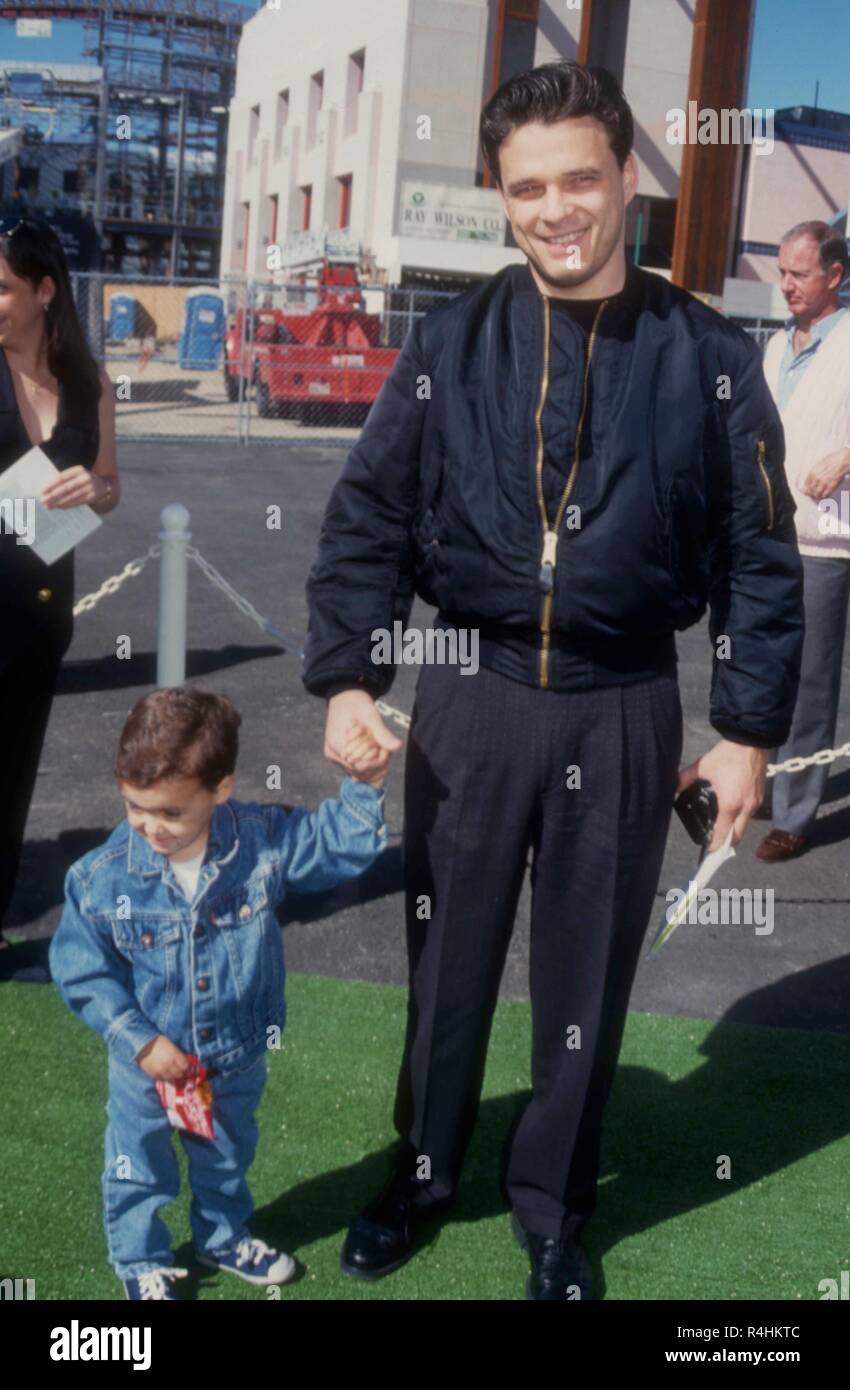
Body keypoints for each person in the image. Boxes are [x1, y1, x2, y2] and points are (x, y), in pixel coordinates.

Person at [302, 62, 804, 1300]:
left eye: (580, 177)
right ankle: (421, 1173)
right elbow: (366, 516)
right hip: (467, 701)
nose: (554, 208)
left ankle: (554, 1210)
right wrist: (347, 677)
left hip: (623, 703)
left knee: (588, 974)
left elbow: (761, 554)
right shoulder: (450, 343)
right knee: (446, 961)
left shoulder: (709, 357)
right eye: (527, 187)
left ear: (626, 180)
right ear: (501, 197)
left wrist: (743, 732)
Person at [49, 686, 388, 1300]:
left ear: (221, 790)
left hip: (234, 1053)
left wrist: (364, 783)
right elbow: (79, 966)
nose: (150, 827)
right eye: (134, 806)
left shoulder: (260, 842)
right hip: (148, 1062)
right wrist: (139, 1040)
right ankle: (140, 1260)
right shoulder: (102, 877)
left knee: (227, 1156)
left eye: (171, 813)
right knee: (138, 1164)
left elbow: (339, 847)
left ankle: (222, 1236)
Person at [0, 216, 119, 983]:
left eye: (4, 287)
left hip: (41, 608)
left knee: (12, 775)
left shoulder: (88, 381)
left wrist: (94, 488)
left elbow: (110, 490)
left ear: (45, 292)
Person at [755, 222, 850, 862]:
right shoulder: (772, 348)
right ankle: (763, 780)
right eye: (782, 271)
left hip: (828, 542)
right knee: (766, 667)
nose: (786, 284)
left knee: (813, 679)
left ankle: (795, 812)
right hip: (772, 535)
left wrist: (847, 455)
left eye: (800, 273)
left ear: (835, 276)